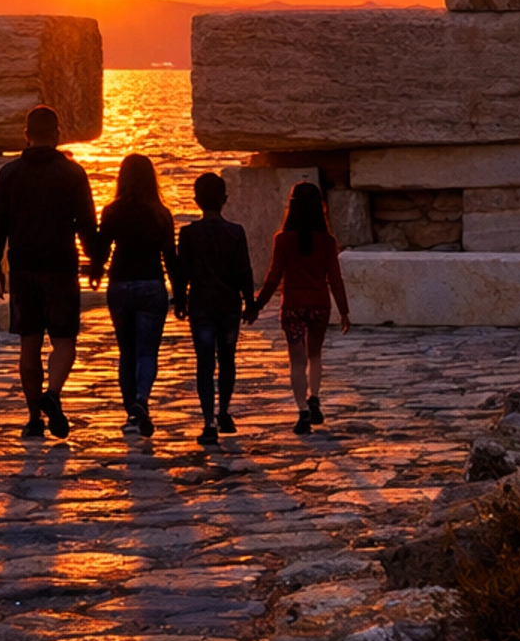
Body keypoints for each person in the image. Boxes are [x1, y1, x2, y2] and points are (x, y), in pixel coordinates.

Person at [0, 104, 99, 441]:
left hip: (23, 269)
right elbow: (86, 223)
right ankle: (53, 393)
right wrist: (96, 259)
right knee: (64, 341)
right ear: (57, 134)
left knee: (29, 345)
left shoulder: (8, 174)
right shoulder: (73, 174)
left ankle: (34, 418)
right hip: (61, 266)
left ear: (26, 135)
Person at [252, 179, 351, 433]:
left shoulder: (283, 240)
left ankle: (302, 410)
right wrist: (344, 311)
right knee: (315, 355)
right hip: (319, 304)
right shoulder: (327, 241)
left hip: (293, 306)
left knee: (296, 361)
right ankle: (315, 396)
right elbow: (336, 280)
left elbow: (274, 277)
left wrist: (257, 304)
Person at [89, 152, 178, 437]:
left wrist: (95, 271)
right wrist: (181, 293)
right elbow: (170, 257)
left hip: (121, 285)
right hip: (152, 285)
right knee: (147, 352)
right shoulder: (161, 214)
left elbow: (103, 249)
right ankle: (141, 400)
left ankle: (131, 413)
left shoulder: (112, 211)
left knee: (126, 352)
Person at [174, 171, 256, 446]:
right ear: (225, 199)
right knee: (227, 360)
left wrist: (180, 300)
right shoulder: (236, 232)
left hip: (201, 307)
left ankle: (208, 420)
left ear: (196, 200)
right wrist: (250, 302)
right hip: (229, 306)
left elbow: (182, 272)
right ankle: (224, 412)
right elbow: (244, 270)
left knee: (204, 363)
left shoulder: (188, 234)